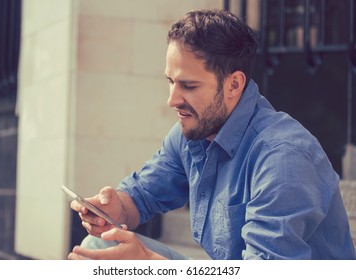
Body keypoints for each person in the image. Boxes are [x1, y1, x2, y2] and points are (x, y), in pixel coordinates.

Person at [68, 9, 356, 260]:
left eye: (189, 86)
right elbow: (141, 195)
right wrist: (116, 207)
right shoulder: (191, 133)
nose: (172, 100)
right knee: (101, 246)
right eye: (171, 82)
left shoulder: (284, 157)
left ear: (234, 85)